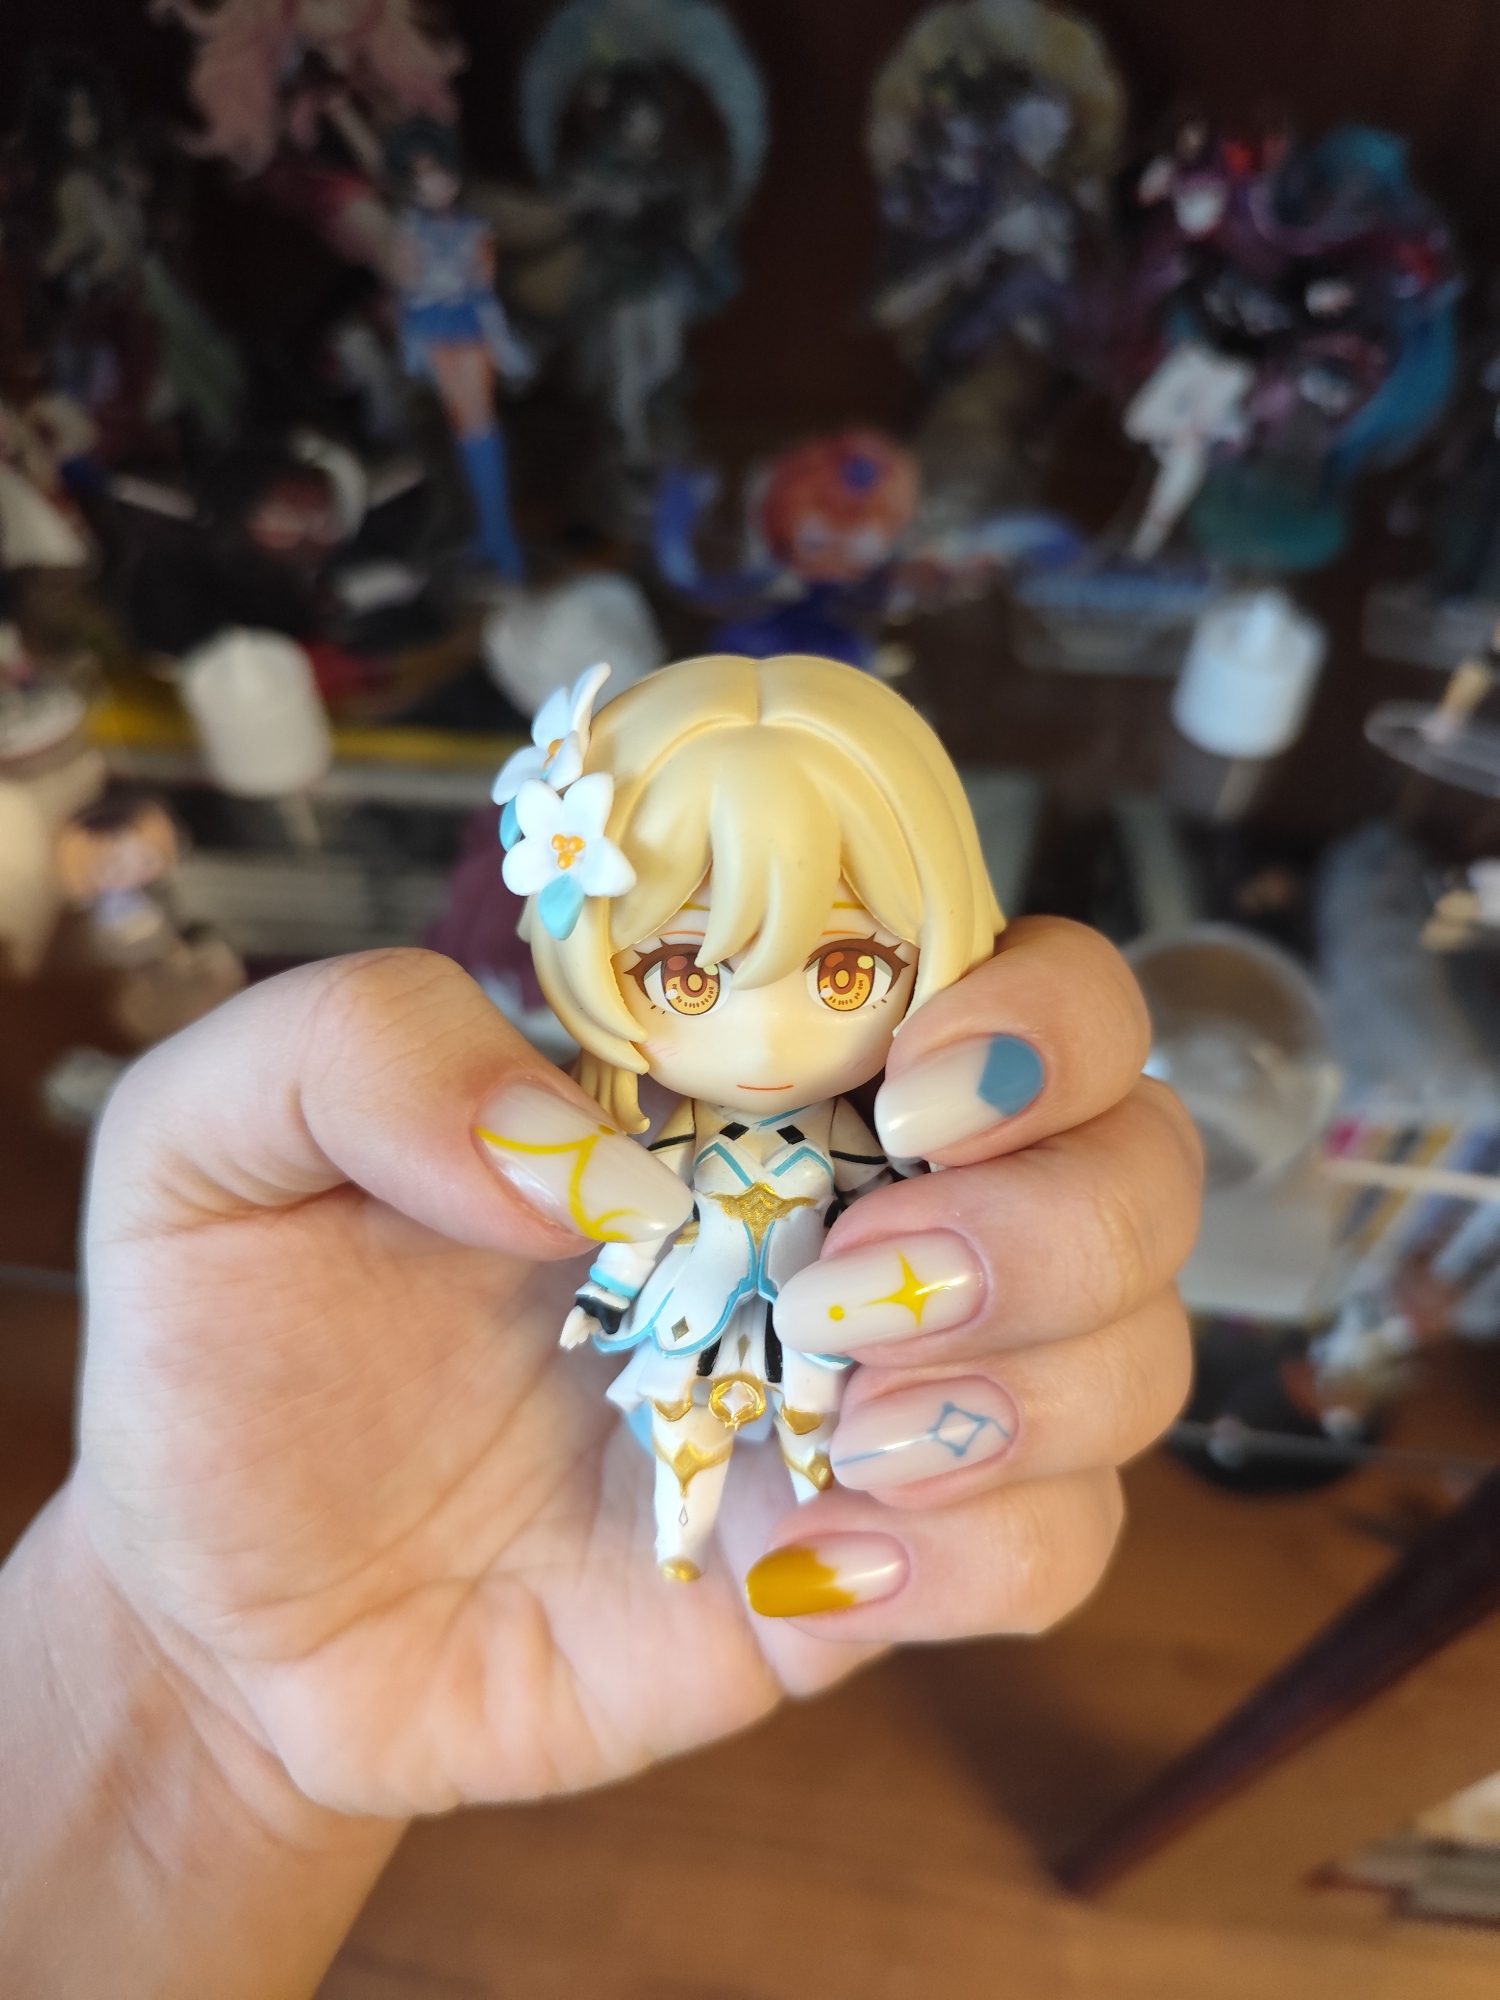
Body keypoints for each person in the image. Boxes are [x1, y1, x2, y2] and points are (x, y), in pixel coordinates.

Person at [0, 921, 1199, 1993]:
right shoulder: (669, 1132)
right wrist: (598, 1300)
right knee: (687, 1441)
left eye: (842, 971)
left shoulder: (855, 1133)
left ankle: (805, 1475)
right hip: (687, 1321)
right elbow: (632, 1229)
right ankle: (685, 1530)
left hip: (806, 1325)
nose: (765, 1025)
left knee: (814, 1416)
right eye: (687, 972)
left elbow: (861, 1212)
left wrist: (935, 1188)